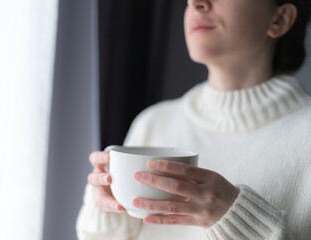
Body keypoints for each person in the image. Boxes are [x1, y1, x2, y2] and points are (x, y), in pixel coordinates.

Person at [77, 0, 311, 239]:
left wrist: (237, 220)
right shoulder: (153, 123)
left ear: (279, 19)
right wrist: (105, 204)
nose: (196, 3)